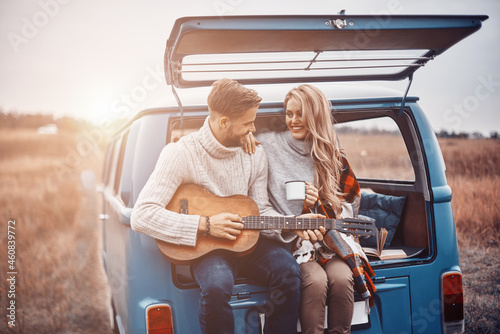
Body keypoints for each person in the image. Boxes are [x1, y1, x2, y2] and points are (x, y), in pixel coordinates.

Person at [131, 78, 304, 334]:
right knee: (216, 285)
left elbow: (261, 209)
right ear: (224, 122)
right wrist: (206, 225)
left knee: (289, 271)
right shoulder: (181, 154)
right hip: (209, 248)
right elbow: (142, 215)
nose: (253, 129)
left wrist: (293, 226)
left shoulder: (255, 153)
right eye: (247, 123)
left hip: (249, 243)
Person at [245, 84, 370, 334]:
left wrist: (320, 202)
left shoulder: (331, 153)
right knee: (316, 280)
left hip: (327, 240)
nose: (293, 120)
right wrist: (246, 134)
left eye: (300, 114)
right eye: (289, 114)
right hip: (290, 241)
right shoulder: (268, 144)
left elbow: (348, 206)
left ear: (316, 115)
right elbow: (230, 128)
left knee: (343, 278)